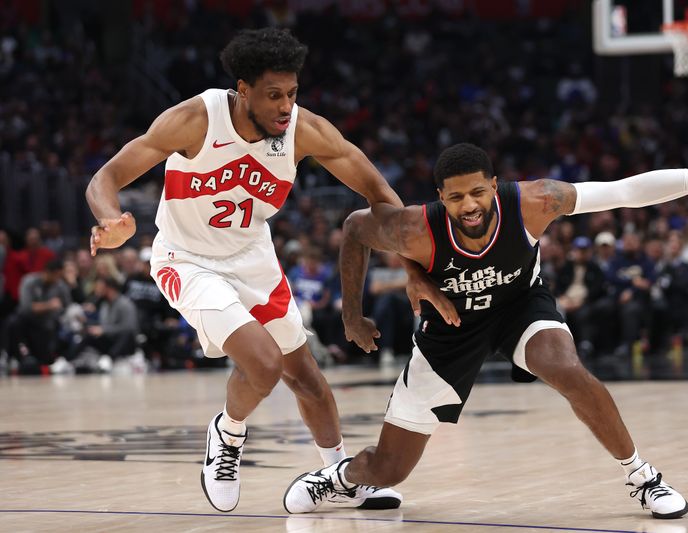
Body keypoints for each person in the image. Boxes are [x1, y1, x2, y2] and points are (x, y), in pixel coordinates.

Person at [283, 142, 688, 519]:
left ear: (494, 185)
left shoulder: (537, 201)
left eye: (478, 191)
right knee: (389, 468)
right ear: (440, 198)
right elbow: (353, 228)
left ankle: (643, 477)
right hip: (451, 329)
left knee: (567, 370)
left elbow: (626, 189)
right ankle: (342, 476)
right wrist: (352, 314)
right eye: (455, 197)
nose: (469, 204)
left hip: (519, 306)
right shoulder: (413, 228)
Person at [85, 28, 453, 513]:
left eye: (293, 94)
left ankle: (341, 476)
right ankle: (228, 433)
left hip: (253, 258)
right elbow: (106, 176)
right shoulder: (196, 119)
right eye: (274, 95)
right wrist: (110, 220)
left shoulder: (304, 131)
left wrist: (411, 269)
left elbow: (382, 197)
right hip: (187, 260)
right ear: (243, 91)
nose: (286, 106)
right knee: (263, 363)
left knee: (310, 382)